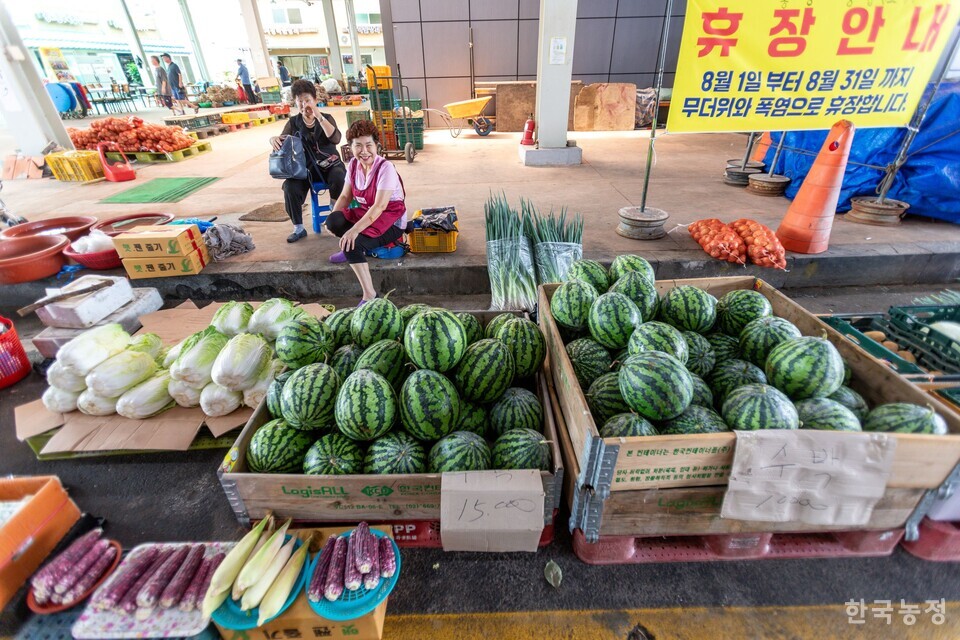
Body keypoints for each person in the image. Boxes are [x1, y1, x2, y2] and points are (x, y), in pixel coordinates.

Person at [326, 120, 409, 305]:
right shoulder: (354, 165)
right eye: (358, 146)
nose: (364, 151)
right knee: (334, 221)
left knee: (353, 244)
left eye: (368, 145)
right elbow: (346, 196)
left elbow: (379, 206)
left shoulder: (385, 168)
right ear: (350, 147)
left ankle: (370, 295)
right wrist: (332, 216)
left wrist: (354, 231)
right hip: (367, 214)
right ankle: (348, 249)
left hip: (391, 221)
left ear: (376, 146)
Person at [269, 79, 346, 243]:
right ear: (295, 103)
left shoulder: (326, 117)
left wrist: (318, 116)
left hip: (330, 166)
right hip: (304, 170)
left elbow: (336, 138)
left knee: (340, 175)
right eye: (300, 101)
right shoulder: (293, 123)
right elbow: (281, 141)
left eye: (308, 100)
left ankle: (334, 211)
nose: (305, 105)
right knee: (290, 186)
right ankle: (298, 227)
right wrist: (273, 139)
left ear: (315, 101)